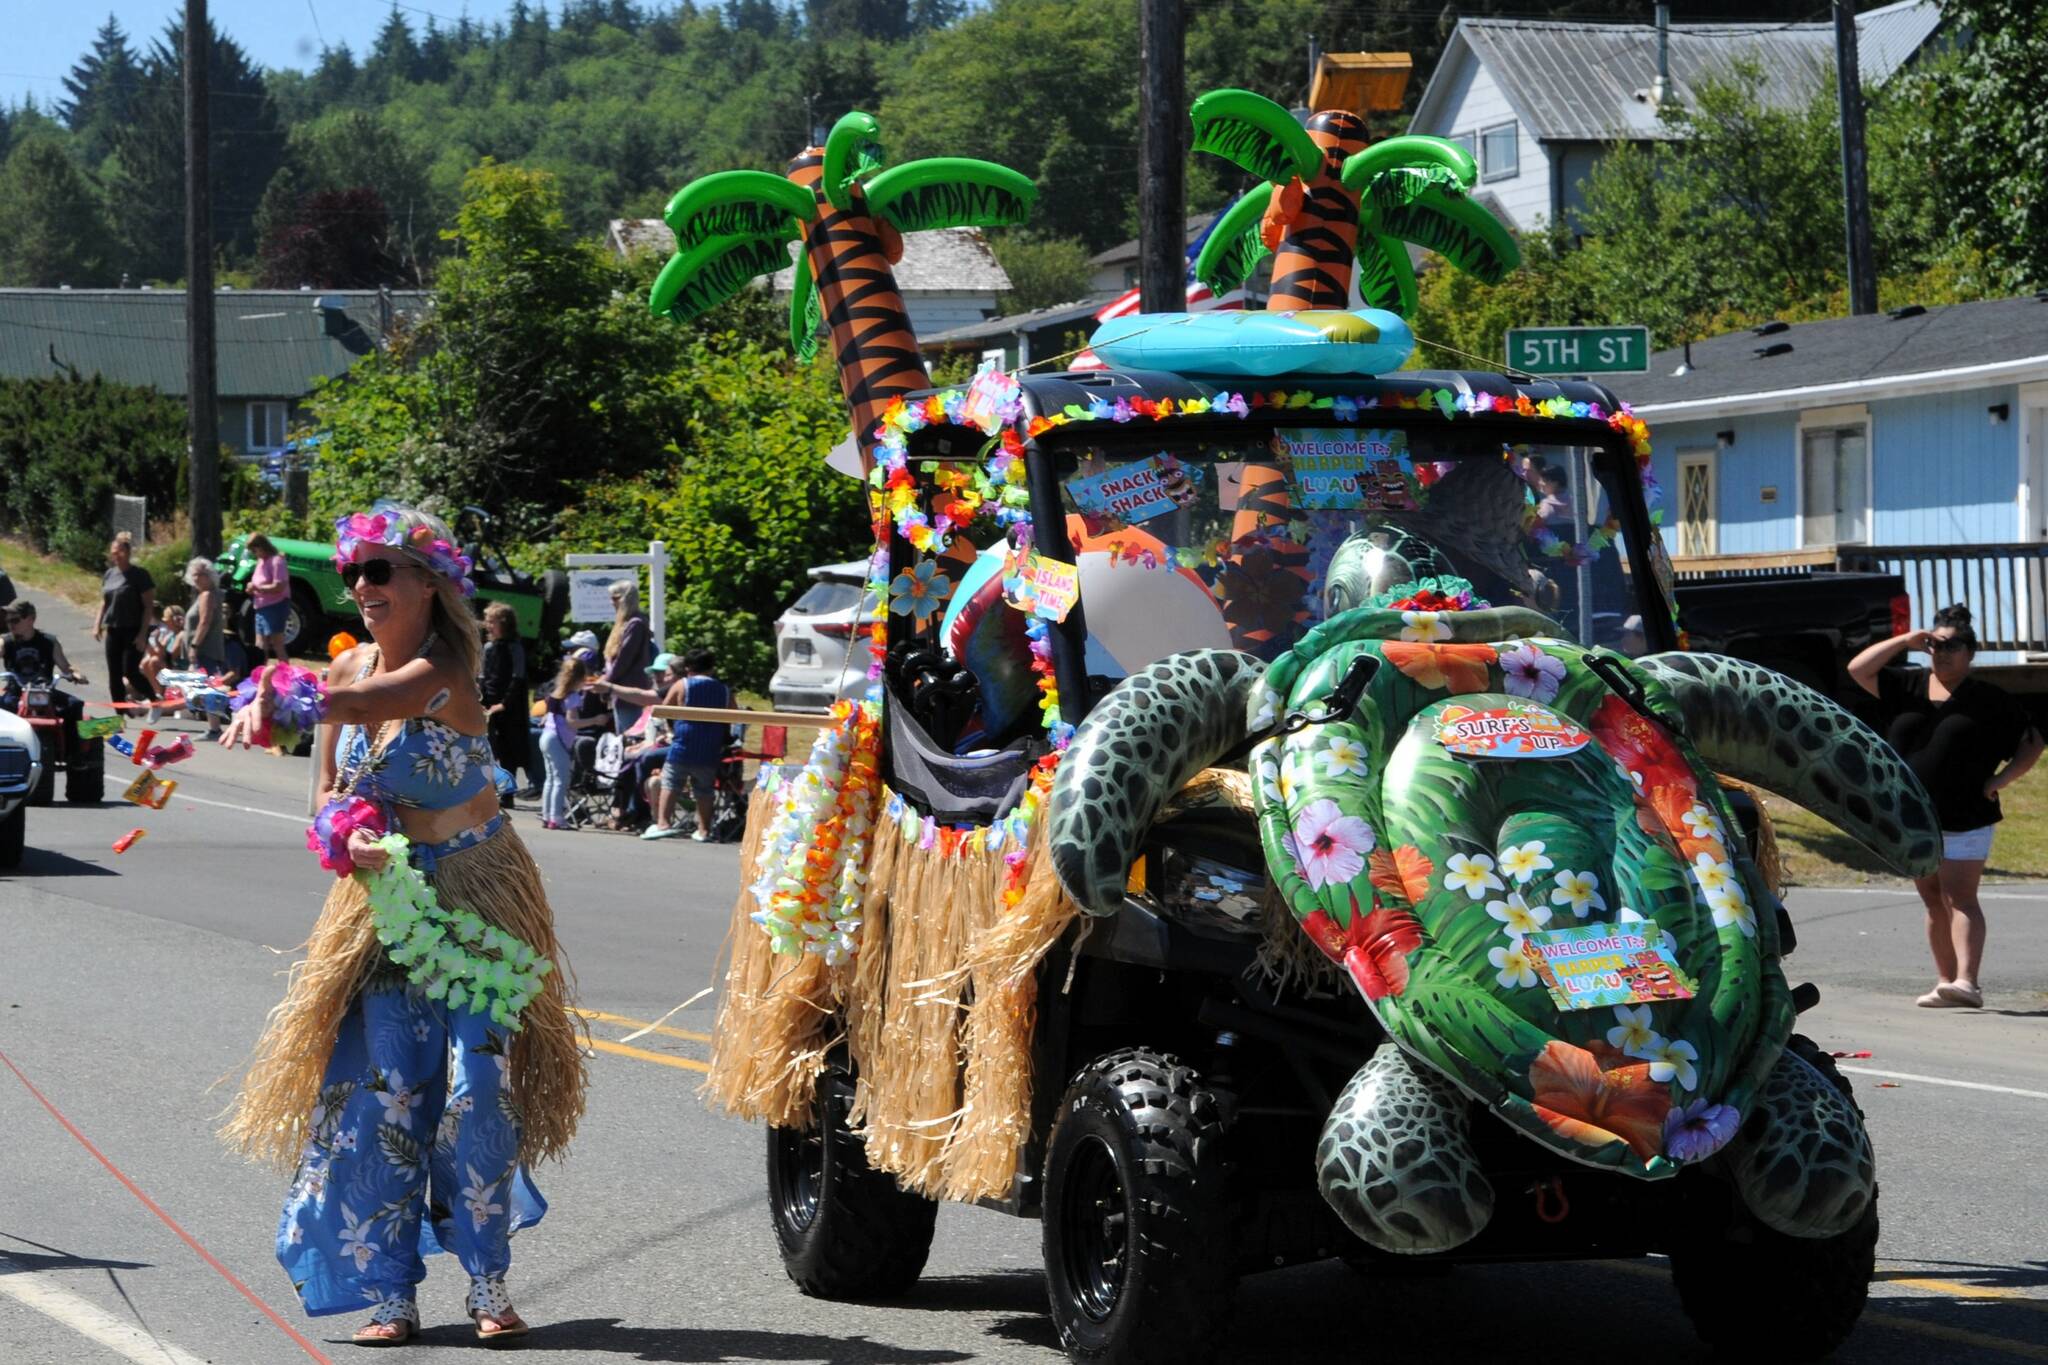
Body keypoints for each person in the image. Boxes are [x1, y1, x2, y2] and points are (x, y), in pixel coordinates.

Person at [219, 503, 586, 1345]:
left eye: (379, 570)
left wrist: (271, 688)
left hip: (474, 897)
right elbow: (323, 794)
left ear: (428, 582)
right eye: (354, 574)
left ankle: (489, 1283)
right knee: (384, 1097)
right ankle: (391, 1294)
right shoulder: (344, 678)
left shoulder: (445, 665)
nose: (361, 587)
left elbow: (383, 700)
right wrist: (342, 830)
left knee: (475, 1094)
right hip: (383, 909)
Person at [1850, 603, 2044, 1008]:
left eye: (1953, 645)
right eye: (1936, 644)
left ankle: (1967, 982)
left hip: (1967, 813)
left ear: (1970, 653)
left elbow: (2033, 742)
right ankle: (1946, 982)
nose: (1942, 652)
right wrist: (1906, 639)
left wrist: (2001, 781)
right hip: (1914, 815)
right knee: (1933, 897)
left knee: (1960, 896)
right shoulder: (1906, 687)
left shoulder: (1988, 700)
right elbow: (1858, 669)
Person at [643, 648, 730, 843]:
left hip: (684, 743)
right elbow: (733, 712)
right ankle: (704, 829)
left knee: (671, 783)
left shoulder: (683, 685)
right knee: (705, 789)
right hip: (710, 746)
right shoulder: (723, 689)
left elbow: (664, 710)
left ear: (688, 668)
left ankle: (663, 823)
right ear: (712, 668)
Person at [591, 652, 685, 830]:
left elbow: (643, 696)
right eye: (655, 672)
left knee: (640, 759)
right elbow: (641, 729)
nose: (658, 677)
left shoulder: (674, 691)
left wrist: (610, 687)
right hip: (664, 743)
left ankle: (634, 812)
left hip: (678, 747)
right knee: (624, 757)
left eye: (664, 673)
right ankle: (620, 810)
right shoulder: (662, 697)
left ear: (678, 675)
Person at [537, 652, 605, 831]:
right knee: (561, 779)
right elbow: (572, 722)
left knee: (551, 779)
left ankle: (547, 815)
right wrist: (595, 720)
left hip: (546, 736)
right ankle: (557, 817)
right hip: (557, 739)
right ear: (581, 677)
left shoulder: (556, 694)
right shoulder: (573, 697)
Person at [93, 531, 160, 714]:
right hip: (114, 629)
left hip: (133, 629)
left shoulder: (139, 575)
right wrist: (97, 624)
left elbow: (148, 607)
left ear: (128, 553)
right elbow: (105, 601)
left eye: (120, 551)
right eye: (114, 552)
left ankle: (154, 699)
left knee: (129, 671)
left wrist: (141, 635)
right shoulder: (109, 574)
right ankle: (120, 713)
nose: (117, 555)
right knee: (114, 675)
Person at [478, 603, 528, 809]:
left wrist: (503, 704)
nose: (488, 626)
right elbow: (483, 676)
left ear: (505, 624)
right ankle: (487, 792)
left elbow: (518, 678)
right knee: (487, 749)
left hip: (508, 708)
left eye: (493, 622)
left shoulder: (515, 647)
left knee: (508, 751)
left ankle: (508, 793)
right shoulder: (489, 648)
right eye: (487, 621)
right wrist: (482, 702)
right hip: (489, 703)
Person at [183, 558, 230, 738]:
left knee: (207, 688)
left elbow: (204, 622)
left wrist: (194, 645)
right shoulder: (206, 594)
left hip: (206, 649)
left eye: (200, 574)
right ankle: (214, 727)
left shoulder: (208, 595)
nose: (196, 578)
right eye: (194, 574)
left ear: (209, 575)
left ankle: (215, 728)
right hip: (207, 649)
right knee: (207, 688)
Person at [601, 581, 652, 735]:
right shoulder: (627, 623)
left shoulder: (635, 624)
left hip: (629, 692)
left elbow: (623, 660)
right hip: (621, 692)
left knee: (628, 736)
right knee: (622, 736)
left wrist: (605, 683)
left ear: (625, 599)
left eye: (615, 598)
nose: (611, 603)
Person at [247, 533, 292, 664]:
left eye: (254, 550)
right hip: (260, 606)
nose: (254, 554)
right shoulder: (261, 562)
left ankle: (285, 675)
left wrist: (258, 588)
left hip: (276, 606)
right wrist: (251, 587)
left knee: (277, 644)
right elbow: (258, 582)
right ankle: (259, 673)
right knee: (260, 645)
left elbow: (279, 586)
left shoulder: (277, 561)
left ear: (262, 546)